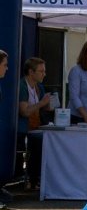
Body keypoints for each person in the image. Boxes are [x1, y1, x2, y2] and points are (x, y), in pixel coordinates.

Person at [18, 57, 53, 189]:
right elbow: (24, 112)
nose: (44, 74)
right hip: (24, 128)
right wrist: (42, 103)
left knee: (50, 139)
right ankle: (33, 178)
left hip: (37, 126)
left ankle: (39, 178)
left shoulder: (39, 87)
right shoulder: (22, 86)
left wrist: (49, 104)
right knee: (39, 141)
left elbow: (44, 108)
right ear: (31, 72)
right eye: (41, 71)